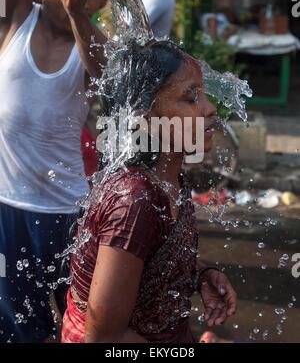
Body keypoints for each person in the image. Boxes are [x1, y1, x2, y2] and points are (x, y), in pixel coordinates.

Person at [61, 40, 237, 343]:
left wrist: (201, 274)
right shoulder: (135, 201)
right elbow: (103, 339)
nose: (210, 109)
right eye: (191, 97)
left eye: (203, 94)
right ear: (145, 117)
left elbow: (147, 258)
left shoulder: (168, 178)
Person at [0, 0, 107, 343]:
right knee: (16, 325)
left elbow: (113, 79)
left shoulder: (91, 44)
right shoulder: (17, 15)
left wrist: (78, 14)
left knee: (83, 320)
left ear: (100, 0)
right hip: (6, 205)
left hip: (66, 211)